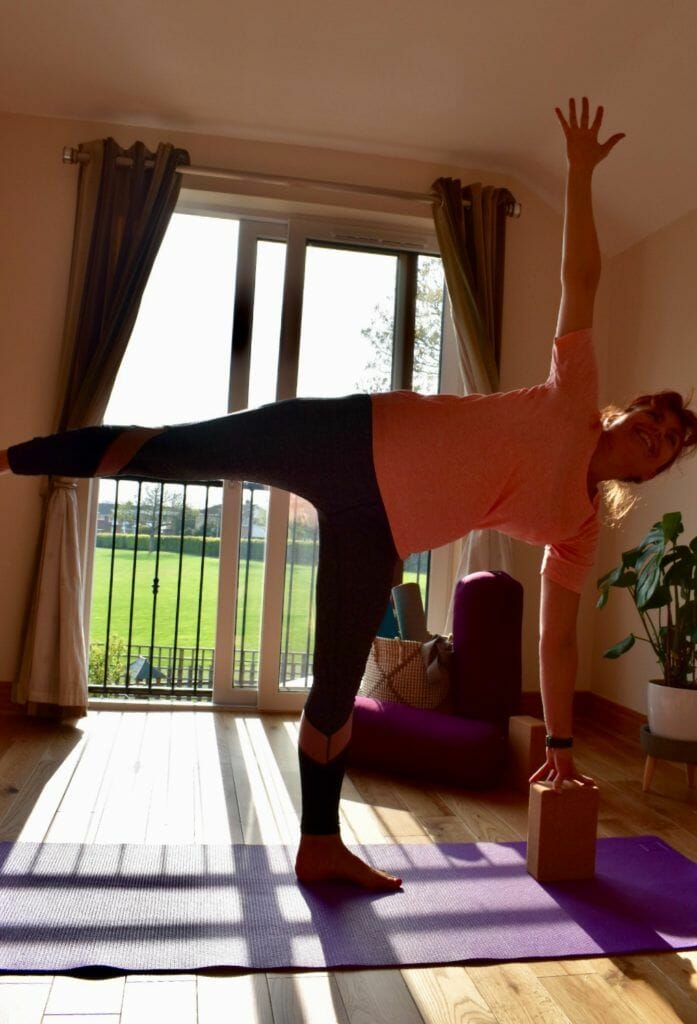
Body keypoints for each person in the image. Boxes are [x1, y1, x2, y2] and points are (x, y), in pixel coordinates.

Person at [2, 99, 695, 891]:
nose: (656, 433)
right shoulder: (574, 396)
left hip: (382, 536)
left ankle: (319, 844)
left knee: (332, 694)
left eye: (668, 443)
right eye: (655, 416)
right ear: (627, 410)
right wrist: (576, 173)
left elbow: (558, 642)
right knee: (173, 448)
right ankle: (8, 459)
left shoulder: (577, 526)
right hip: (345, 437)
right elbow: (582, 279)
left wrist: (562, 747)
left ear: (647, 475)